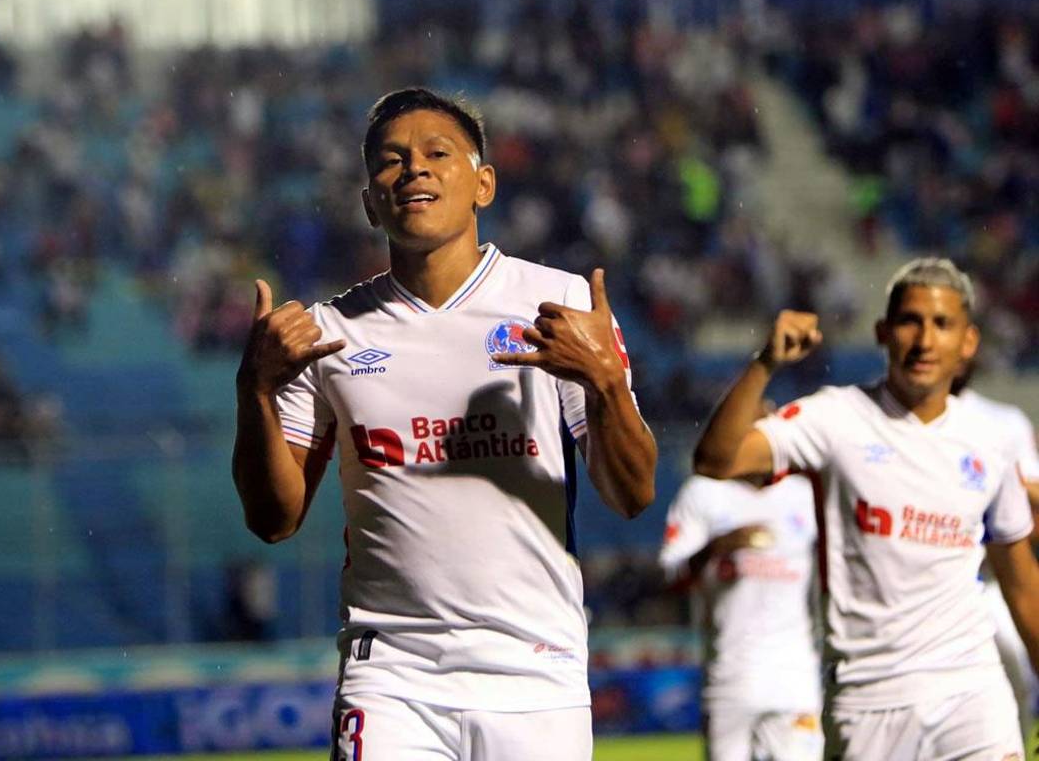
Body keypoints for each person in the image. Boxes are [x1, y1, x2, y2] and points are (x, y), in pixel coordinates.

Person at [232, 87, 656, 760]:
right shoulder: (328, 334)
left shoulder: (562, 304)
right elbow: (273, 518)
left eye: (437, 153)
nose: (414, 170)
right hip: (391, 676)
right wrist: (253, 390)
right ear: (371, 202)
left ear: (483, 183)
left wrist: (604, 379)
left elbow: (632, 494)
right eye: (391, 161)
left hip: (536, 671)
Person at [692, 257, 1039, 759]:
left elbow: (1021, 582)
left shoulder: (992, 442)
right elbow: (716, 460)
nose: (924, 340)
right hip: (868, 699)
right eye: (910, 321)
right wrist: (766, 362)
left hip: (971, 693)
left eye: (942, 324)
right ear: (882, 331)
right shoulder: (835, 417)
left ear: (968, 343)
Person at [660, 463, 822, 760]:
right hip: (730, 678)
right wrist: (716, 547)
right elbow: (671, 576)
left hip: (796, 680)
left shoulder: (804, 494)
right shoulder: (704, 493)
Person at [952, 365, 1039, 740]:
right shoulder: (878, 419)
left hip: (989, 581)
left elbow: (1028, 501)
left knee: (1017, 678)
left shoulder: (1002, 422)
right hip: (920, 589)